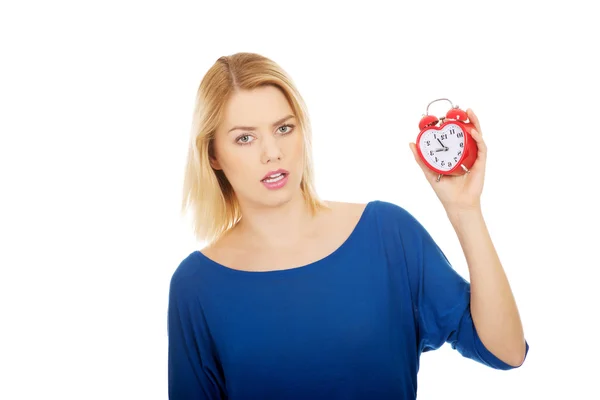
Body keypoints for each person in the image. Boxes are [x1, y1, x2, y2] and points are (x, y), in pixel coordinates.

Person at [168, 52, 529, 399]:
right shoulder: (196, 287)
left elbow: (506, 350)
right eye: (245, 137)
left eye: (284, 128)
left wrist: (465, 211)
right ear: (213, 154)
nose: (272, 152)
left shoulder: (388, 235)